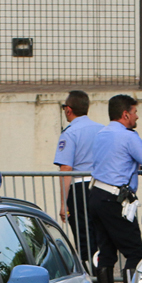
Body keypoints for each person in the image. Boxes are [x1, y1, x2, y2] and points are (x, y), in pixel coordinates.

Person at [89, 94, 142, 283]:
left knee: (106, 252)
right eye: (134, 112)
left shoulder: (101, 134)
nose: (136, 116)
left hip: (96, 195)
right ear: (125, 114)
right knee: (135, 253)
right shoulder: (129, 136)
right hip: (115, 199)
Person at [53, 90, 103, 270]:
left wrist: (64, 203)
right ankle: (104, 277)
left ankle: (92, 278)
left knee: (84, 237)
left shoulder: (70, 133)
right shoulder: (101, 129)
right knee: (100, 235)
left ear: (68, 110)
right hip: (100, 186)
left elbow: (66, 168)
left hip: (80, 189)